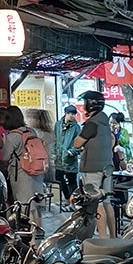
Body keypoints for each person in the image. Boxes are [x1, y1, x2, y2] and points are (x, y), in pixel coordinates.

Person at [73, 90, 116, 238]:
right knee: (107, 202)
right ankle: (113, 237)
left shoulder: (92, 124)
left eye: (85, 103)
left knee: (96, 203)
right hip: (107, 167)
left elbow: (77, 143)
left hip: (92, 168)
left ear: (90, 105)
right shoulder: (105, 122)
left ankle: (102, 238)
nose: (84, 106)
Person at [1, 105, 46, 233]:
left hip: (21, 173)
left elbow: (5, 156)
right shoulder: (31, 131)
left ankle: (29, 237)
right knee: (36, 204)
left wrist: (5, 143)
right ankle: (39, 232)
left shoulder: (12, 136)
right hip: (37, 171)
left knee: (26, 205)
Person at [54, 105, 81, 208]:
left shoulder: (77, 127)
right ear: (66, 113)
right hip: (59, 158)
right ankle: (66, 199)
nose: (73, 116)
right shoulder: (58, 125)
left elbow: (79, 143)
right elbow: (55, 139)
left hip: (70, 159)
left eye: (75, 114)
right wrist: (54, 153)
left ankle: (73, 202)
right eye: (71, 114)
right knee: (59, 178)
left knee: (72, 182)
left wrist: (72, 152)